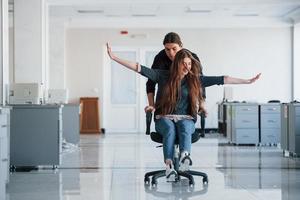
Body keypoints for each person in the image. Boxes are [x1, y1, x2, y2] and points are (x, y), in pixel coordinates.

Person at [106, 43, 261, 182]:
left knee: (185, 128)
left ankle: (184, 157)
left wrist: (247, 81)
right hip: (163, 117)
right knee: (169, 129)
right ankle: (169, 166)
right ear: (176, 64)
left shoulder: (195, 79)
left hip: (186, 118)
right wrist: (114, 58)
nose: (187, 67)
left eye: (189, 64)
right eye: (184, 64)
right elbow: (138, 67)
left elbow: (223, 79)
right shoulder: (162, 75)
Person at [145, 32, 207, 138]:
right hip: (165, 102)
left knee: (184, 128)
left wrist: (201, 105)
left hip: (186, 103)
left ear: (181, 46)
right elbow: (150, 82)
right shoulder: (160, 58)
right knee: (169, 129)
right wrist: (151, 105)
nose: (171, 53)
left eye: (174, 48)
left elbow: (200, 83)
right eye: (167, 49)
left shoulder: (192, 58)